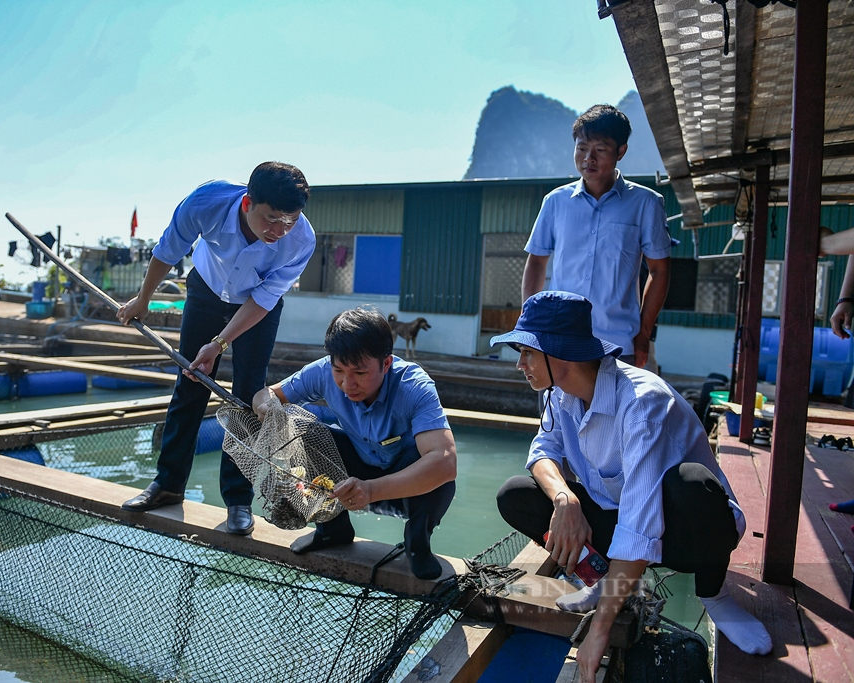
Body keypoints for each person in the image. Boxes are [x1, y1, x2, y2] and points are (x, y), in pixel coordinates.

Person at [491, 291, 772, 683]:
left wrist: (599, 631)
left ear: (561, 354)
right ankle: (604, 576)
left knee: (692, 486)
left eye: (528, 353)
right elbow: (542, 451)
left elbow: (642, 522)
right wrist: (564, 497)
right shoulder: (557, 394)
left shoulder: (642, 403)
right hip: (622, 519)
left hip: (684, 532)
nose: (520, 364)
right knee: (517, 495)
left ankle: (716, 595)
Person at [119, 162, 316, 538]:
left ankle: (238, 502)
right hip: (207, 290)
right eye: (271, 219)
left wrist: (220, 343)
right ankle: (168, 484)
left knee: (247, 396)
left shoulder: (301, 239)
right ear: (247, 203)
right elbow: (168, 249)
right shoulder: (206, 201)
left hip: (257, 308)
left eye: (288, 222)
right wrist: (144, 299)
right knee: (190, 383)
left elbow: (264, 298)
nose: (278, 231)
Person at [251, 307, 457, 579]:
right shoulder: (323, 372)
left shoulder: (414, 386)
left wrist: (371, 490)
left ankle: (417, 542)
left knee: (439, 477)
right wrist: (265, 407)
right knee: (308, 433)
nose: (347, 383)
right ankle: (332, 530)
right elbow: (266, 394)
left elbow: (446, 461)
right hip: (353, 478)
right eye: (339, 370)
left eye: (360, 373)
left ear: (386, 363)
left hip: (405, 487)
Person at [521, 104, 672, 370]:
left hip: (618, 344)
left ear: (620, 151)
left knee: (615, 411)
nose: (588, 158)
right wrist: (529, 323)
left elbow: (659, 270)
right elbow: (536, 262)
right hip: (559, 339)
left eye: (600, 150)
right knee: (557, 412)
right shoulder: (555, 202)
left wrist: (643, 332)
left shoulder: (646, 203)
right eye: (581, 148)